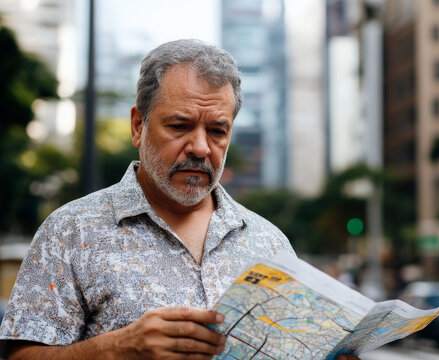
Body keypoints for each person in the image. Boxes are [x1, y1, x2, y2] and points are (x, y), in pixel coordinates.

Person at [0, 39, 360, 360]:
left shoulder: (270, 242)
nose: (201, 147)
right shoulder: (70, 231)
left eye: (217, 131)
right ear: (138, 126)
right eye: (180, 126)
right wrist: (115, 350)